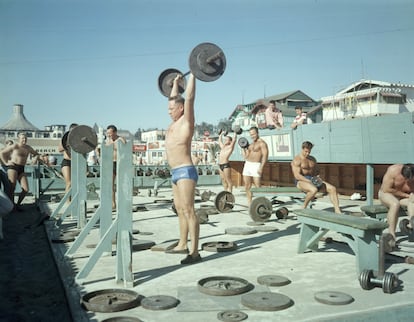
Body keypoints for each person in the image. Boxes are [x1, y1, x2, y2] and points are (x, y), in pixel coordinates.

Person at [165, 73, 201, 265]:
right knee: (179, 209)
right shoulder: (172, 124)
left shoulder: (187, 122)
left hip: (186, 170)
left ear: (181, 109)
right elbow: (174, 98)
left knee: (189, 210)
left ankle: (195, 252)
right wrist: (177, 83)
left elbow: (189, 98)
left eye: (172, 109)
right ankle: (182, 244)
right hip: (174, 173)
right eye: (168, 109)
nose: (169, 111)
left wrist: (194, 74)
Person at [291, 141, 341, 213]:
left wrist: (317, 177)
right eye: (306, 151)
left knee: (332, 189)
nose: (307, 153)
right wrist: (309, 181)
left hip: (312, 179)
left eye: (309, 152)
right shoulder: (297, 160)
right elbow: (297, 176)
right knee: (313, 190)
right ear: (302, 149)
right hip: (301, 181)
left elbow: (317, 171)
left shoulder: (312, 159)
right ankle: (304, 207)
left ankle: (337, 211)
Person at [0, 132, 39, 210]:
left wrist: (36, 158)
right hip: (13, 167)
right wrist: (6, 163)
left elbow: (36, 153)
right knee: (12, 188)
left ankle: (17, 204)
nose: (24, 140)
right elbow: (2, 153)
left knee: (25, 189)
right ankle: (11, 207)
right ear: (19, 139)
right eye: (22, 138)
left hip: (22, 168)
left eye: (25, 138)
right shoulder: (15, 146)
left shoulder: (28, 148)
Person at [378, 164, 414, 240]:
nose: (409, 180)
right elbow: (386, 189)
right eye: (408, 178)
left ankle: (411, 224)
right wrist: (407, 195)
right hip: (386, 194)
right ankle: (391, 235)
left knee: (412, 200)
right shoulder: (393, 170)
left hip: (403, 197)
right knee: (395, 204)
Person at [241, 126, 269, 206]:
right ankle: (250, 204)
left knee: (257, 186)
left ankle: (262, 203)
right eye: (251, 134)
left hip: (256, 165)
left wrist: (261, 167)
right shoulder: (250, 144)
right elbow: (245, 156)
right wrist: (243, 148)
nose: (252, 136)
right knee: (247, 186)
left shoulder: (262, 143)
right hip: (247, 164)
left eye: (253, 134)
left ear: (257, 133)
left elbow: (265, 156)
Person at [106, 124, 126, 210]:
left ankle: (123, 202)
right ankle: (113, 203)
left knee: (121, 184)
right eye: (107, 133)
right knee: (110, 184)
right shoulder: (108, 141)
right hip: (111, 163)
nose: (109, 135)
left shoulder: (121, 140)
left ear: (115, 132)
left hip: (120, 163)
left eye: (110, 133)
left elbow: (126, 152)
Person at [58, 123, 78, 201]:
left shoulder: (78, 139)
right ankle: (68, 201)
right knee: (69, 183)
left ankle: (74, 199)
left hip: (76, 162)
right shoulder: (65, 138)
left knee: (76, 183)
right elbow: (59, 149)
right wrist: (67, 144)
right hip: (66, 162)